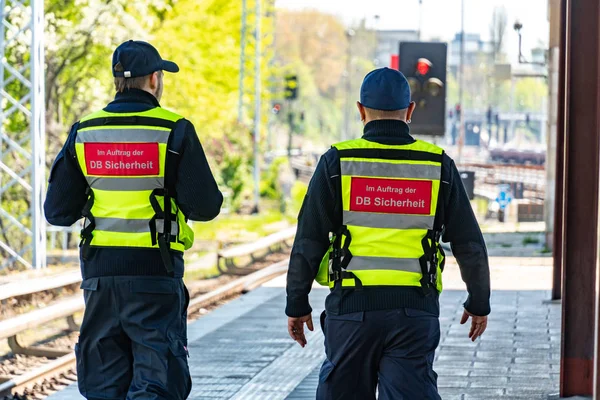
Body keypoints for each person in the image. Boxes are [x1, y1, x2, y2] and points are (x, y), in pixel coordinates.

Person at [285, 67, 490, 400]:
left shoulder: (338, 161)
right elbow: (469, 243)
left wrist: (296, 303)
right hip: (415, 312)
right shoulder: (437, 164)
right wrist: (479, 301)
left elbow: (308, 240)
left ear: (360, 111)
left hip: (351, 311)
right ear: (409, 111)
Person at [44, 40, 223, 400]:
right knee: (156, 381)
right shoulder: (174, 130)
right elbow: (206, 206)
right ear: (155, 79)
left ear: (116, 81)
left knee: (104, 382)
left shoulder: (85, 130)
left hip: (100, 277)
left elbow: (57, 211)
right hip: (155, 275)